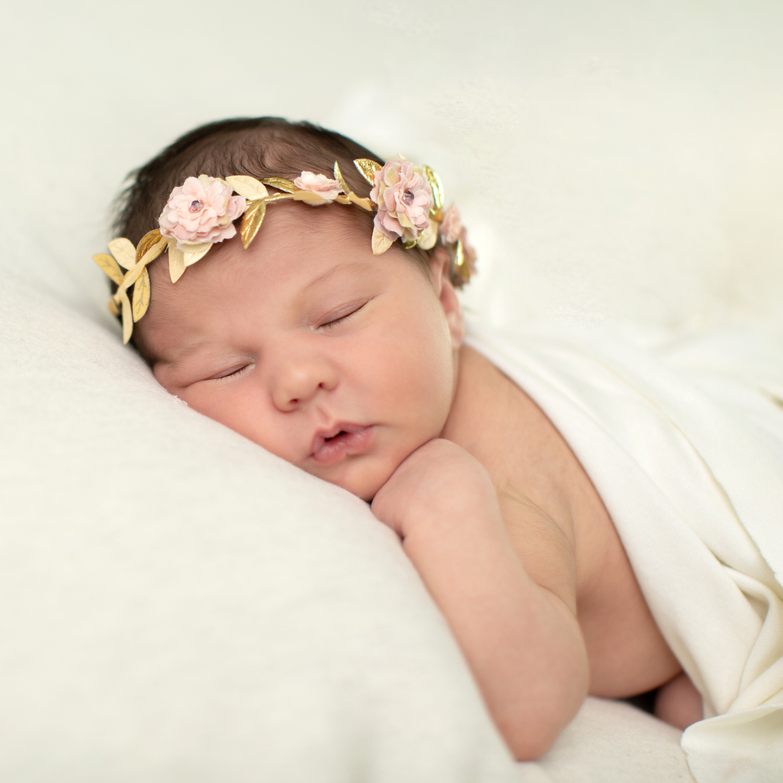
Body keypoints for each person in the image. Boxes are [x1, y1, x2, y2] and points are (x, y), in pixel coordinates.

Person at [92, 117, 783, 767]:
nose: (297, 379)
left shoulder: (496, 473)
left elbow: (529, 707)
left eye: (336, 317)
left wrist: (444, 506)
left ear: (448, 308)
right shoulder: (404, 395)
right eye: (229, 368)